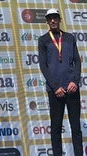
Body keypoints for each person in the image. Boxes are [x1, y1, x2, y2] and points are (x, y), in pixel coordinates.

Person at [38, 8, 83, 156]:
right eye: (50, 18)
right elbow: (43, 66)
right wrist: (55, 86)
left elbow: (77, 60)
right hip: (55, 91)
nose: (53, 20)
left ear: (59, 19)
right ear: (47, 21)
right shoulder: (43, 40)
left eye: (55, 17)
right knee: (56, 128)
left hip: (72, 89)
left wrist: (75, 82)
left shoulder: (70, 38)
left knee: (76, 128)